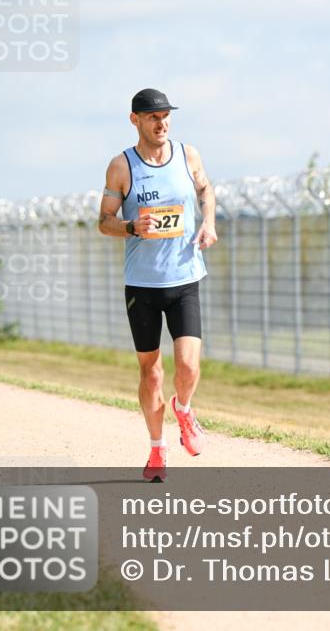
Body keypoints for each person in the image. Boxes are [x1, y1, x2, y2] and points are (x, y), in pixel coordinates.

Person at [97, 88, 217, 482]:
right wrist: (131, 227)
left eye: (165, 115)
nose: (161, 123)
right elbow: (104, 221)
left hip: (185, 277)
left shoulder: (187, 155)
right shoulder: (121, 166)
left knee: (188, 365)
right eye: (153, 117)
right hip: (142, 286)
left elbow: (205, 189)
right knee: (151, 373)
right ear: (135, 120)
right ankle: (156, 449)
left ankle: (184, 410)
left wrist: (208, 222)